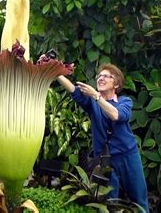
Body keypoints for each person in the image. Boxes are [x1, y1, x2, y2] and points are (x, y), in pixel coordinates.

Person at [57, 63, 148, 212]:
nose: (101, 78)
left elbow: (115, 115)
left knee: (139, 200)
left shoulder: (125, 102)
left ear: (116, 84)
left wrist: (95, 95)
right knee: (108, 203)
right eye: (99, 76)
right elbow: (72, 89)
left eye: (107, 76)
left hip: (127, 156)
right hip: (105, 160)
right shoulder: (92, 102)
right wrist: (53, 70)